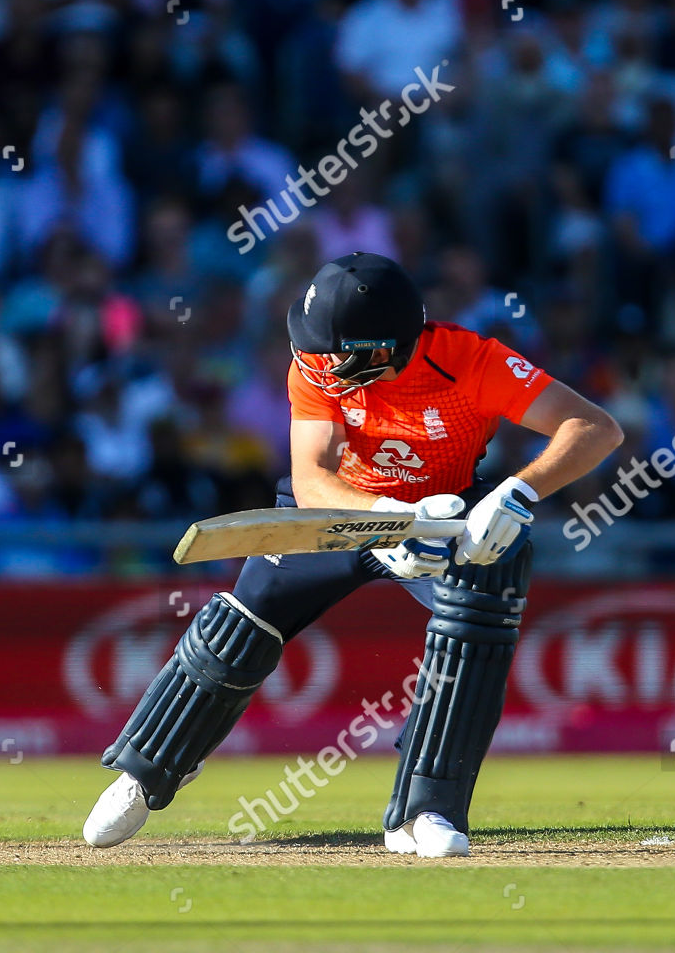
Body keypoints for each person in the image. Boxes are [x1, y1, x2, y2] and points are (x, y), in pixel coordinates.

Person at [83, 252, 623, 857]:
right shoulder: (313, 368)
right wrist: (386, 527)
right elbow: (312, 476)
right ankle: (147, 770)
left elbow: (595, 426)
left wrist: (520, 493)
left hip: (447, 518)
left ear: (387, 347)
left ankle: (427, 810)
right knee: (243, 621)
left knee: (489, 592)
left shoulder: (473, 361)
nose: (319, 364)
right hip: (342, 512)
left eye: (336, 353)